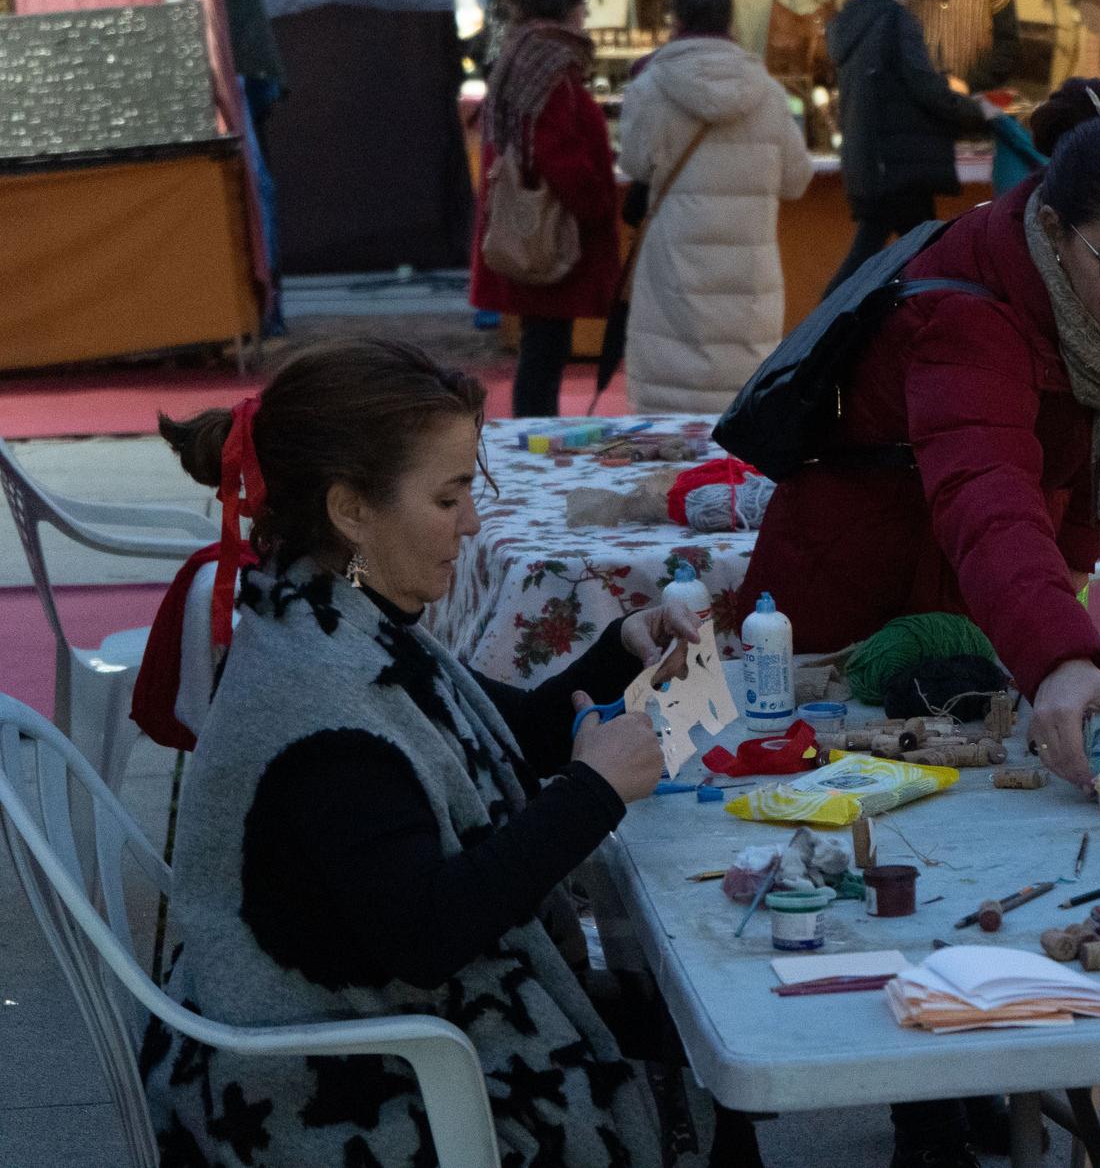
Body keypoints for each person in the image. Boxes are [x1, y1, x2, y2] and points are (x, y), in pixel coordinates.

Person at [141, 338, 764, 1168]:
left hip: (367, 1017)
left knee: (692, 1026)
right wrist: (591, 791)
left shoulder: (332, 607)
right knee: (702, 1054)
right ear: (351, 510)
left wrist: (624, 642)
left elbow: (509, 731)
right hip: (329, 1089)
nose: (472, 521)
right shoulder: (323, 705)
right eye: (450, 495)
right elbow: (431, 930)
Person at [746, 77, 1100, 795]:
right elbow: (986, 493)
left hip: (970, 601)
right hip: (858, 604)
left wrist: (1061, 595)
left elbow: (1081, 444)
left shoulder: (1084, 300)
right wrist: (1057, 653)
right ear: (1054, 231)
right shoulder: (968, 320)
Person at [617, 0, 813, 412]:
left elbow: (633, 164)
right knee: (741, 397)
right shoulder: (769, 93)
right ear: (731, 21)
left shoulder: (650, 86)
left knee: (670, 400)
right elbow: (796, 181)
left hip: (674, 261)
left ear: (675, 20)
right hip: (749, 270)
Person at [470, 0, 620, 418]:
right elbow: (553, 147)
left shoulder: (522, 52)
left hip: (537, 214)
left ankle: (534, 433)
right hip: (553, 222)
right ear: (564, 4)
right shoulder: (549, 60)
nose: (585, 13)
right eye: (581, 2)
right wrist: (594, 200)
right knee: (545, 346)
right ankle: (536, 440)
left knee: (543, 342)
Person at [826, 0, 998, 291]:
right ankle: (829, 323)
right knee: (925, 258)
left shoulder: (851, 30)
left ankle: (835, 320)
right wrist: (975, 110)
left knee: (899, 253)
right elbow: (925, 88)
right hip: (900, 166)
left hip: (873, 162)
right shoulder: (896, 23)